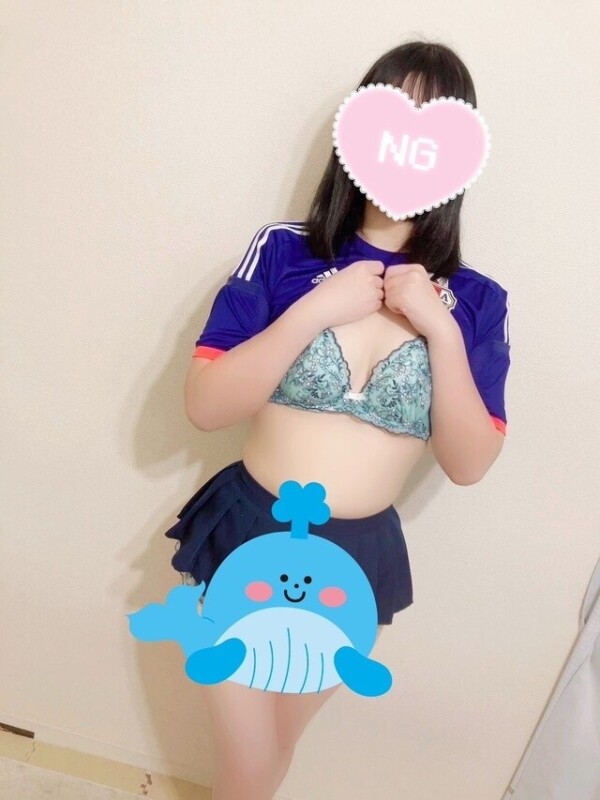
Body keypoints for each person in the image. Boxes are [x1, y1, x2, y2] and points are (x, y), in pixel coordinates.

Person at [165, 40, 511, 800]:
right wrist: (315, 310)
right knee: (250, 761)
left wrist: (440, 330)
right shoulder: (284, 251)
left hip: (355, 562)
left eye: (434, 120)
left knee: (274, 751)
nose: (409, 138)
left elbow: (469, 463)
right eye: (395, 108)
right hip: (249, 532)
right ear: (358, 126)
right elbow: (205, 404)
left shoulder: (478, 301)